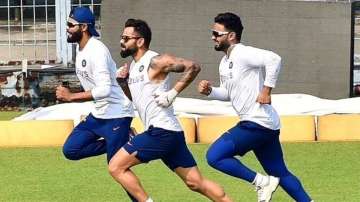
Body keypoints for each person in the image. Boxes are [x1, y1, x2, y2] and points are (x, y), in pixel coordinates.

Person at [109, 18, 232, 202]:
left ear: (140, 41)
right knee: (196, 183)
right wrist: (123, 83)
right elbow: (137, 100)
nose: (121, 41)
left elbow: (194, 66)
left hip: (161, 132)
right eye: (122, 37)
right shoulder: (134, 67)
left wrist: (173, 93)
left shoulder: (157, 61)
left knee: (115, 167)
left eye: (126, 38)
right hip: (170, 134)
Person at [198, 12, 313, 202]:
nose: (213, 37)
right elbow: (228, 94)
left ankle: (261, 182)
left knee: (214, 156)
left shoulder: (242, 53)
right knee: (280, 173)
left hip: (256, 122)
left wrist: (267, 90)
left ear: (231, 36)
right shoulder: (224, 62)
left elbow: (274, 59)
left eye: (217, 33)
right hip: (265, 124)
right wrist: (211, 91)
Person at [55, 7, 135, 200]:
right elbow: (106, 78)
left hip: (117, 115)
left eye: (70, 25)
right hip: (99, 114)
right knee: (71, 150)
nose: (67, 28)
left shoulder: (96, 50)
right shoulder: (81, 49)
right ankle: (126, 140)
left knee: (117, 168)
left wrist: (71, 97)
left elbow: (104, 90)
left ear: (83, 27)